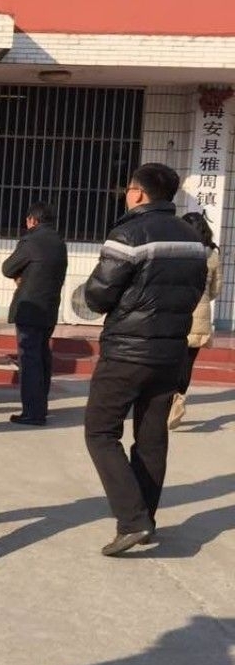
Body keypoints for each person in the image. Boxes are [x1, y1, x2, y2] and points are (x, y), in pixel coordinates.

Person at [83, 163, 207, 557]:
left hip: (127, 352)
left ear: (138, 193)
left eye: (128, 188)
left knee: (100, 432)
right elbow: (196, 291)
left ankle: (133, 520)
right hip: (170, 352)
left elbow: (98, 295)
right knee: (152, 439)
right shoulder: (193, 239)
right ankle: (144, 518)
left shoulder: (129, 234)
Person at [0, 201, 68, 427]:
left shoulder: (31, 241)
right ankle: (40, 406)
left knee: (29, 360)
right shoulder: (59, 242)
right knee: (42, 356)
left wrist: (20, 275)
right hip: (50, 307)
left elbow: (8, 268)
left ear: (32, 220)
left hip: (30, 308)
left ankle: (32, 412)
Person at [168, 212, 222, 429]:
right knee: (187, 362)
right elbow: (216, 289)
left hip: (175, 311)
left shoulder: (175, 251)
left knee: (170, 359)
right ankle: (178, 402)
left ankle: (165, 401)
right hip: (200, 313)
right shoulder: (213, 255)